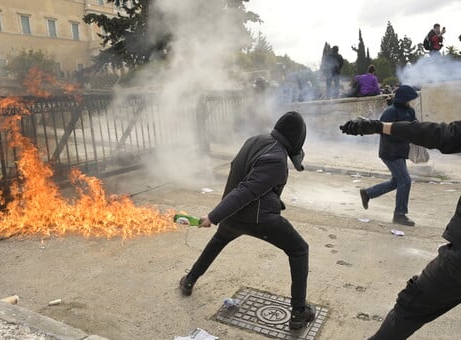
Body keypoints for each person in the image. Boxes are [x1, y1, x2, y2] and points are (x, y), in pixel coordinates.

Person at [179, 111, 315, 330]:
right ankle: (299, 313)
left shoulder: (256, 139)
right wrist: (213, 216)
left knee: (219, 240)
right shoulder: (277, 159)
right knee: (299, 250)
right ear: (297, 139)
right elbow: (246, 190)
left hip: (234, 216)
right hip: (258, 219)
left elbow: (237, 176)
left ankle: (189, 279)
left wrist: (223, 215)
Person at [339, 116, 461, 340]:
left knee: (409, 310)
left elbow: (439, 134)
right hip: (392, 155)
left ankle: (388, 206)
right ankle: (388, 206)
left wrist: (378, 127)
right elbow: (434, 133)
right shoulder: (398, 110)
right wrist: (381, 128)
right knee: (402, 181)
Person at [357, 85, 419, 226]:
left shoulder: (410, 111)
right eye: (409, 99)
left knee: (397, 181)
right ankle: (399, 215)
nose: (411, 101)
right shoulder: (390, 112)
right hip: (390, 152)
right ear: (404, 98)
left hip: (401, 152)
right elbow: (382, 130)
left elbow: (415, 127)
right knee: (405, 181)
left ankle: (368, 193)